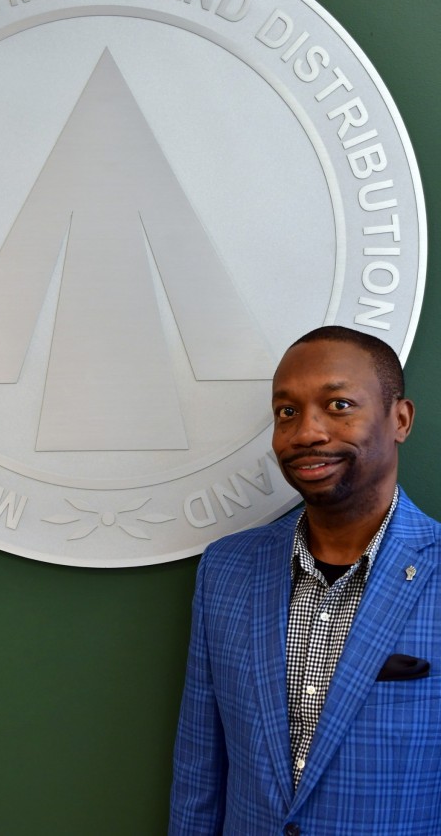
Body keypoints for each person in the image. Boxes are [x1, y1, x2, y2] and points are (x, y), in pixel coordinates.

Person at [169, 325, 441, 835]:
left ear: (399, 419)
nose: (306, 432)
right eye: (286, 412)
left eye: (338, 405)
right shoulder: (226, 570)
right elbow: (199, 768)